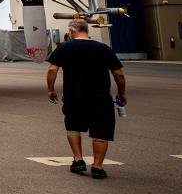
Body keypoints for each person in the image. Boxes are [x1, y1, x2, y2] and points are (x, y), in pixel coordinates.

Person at [46, 19, 126, 179]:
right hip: (100, 96)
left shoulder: (64, 48)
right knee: (101, 132)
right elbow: (119, 74)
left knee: (73, 126)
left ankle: (78, 159)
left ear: (71, 31)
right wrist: (121, 92)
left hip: (74, 96)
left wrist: (51, 89)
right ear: (86, 30)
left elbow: (52, 70)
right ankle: (97, 167)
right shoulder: (103, 48)